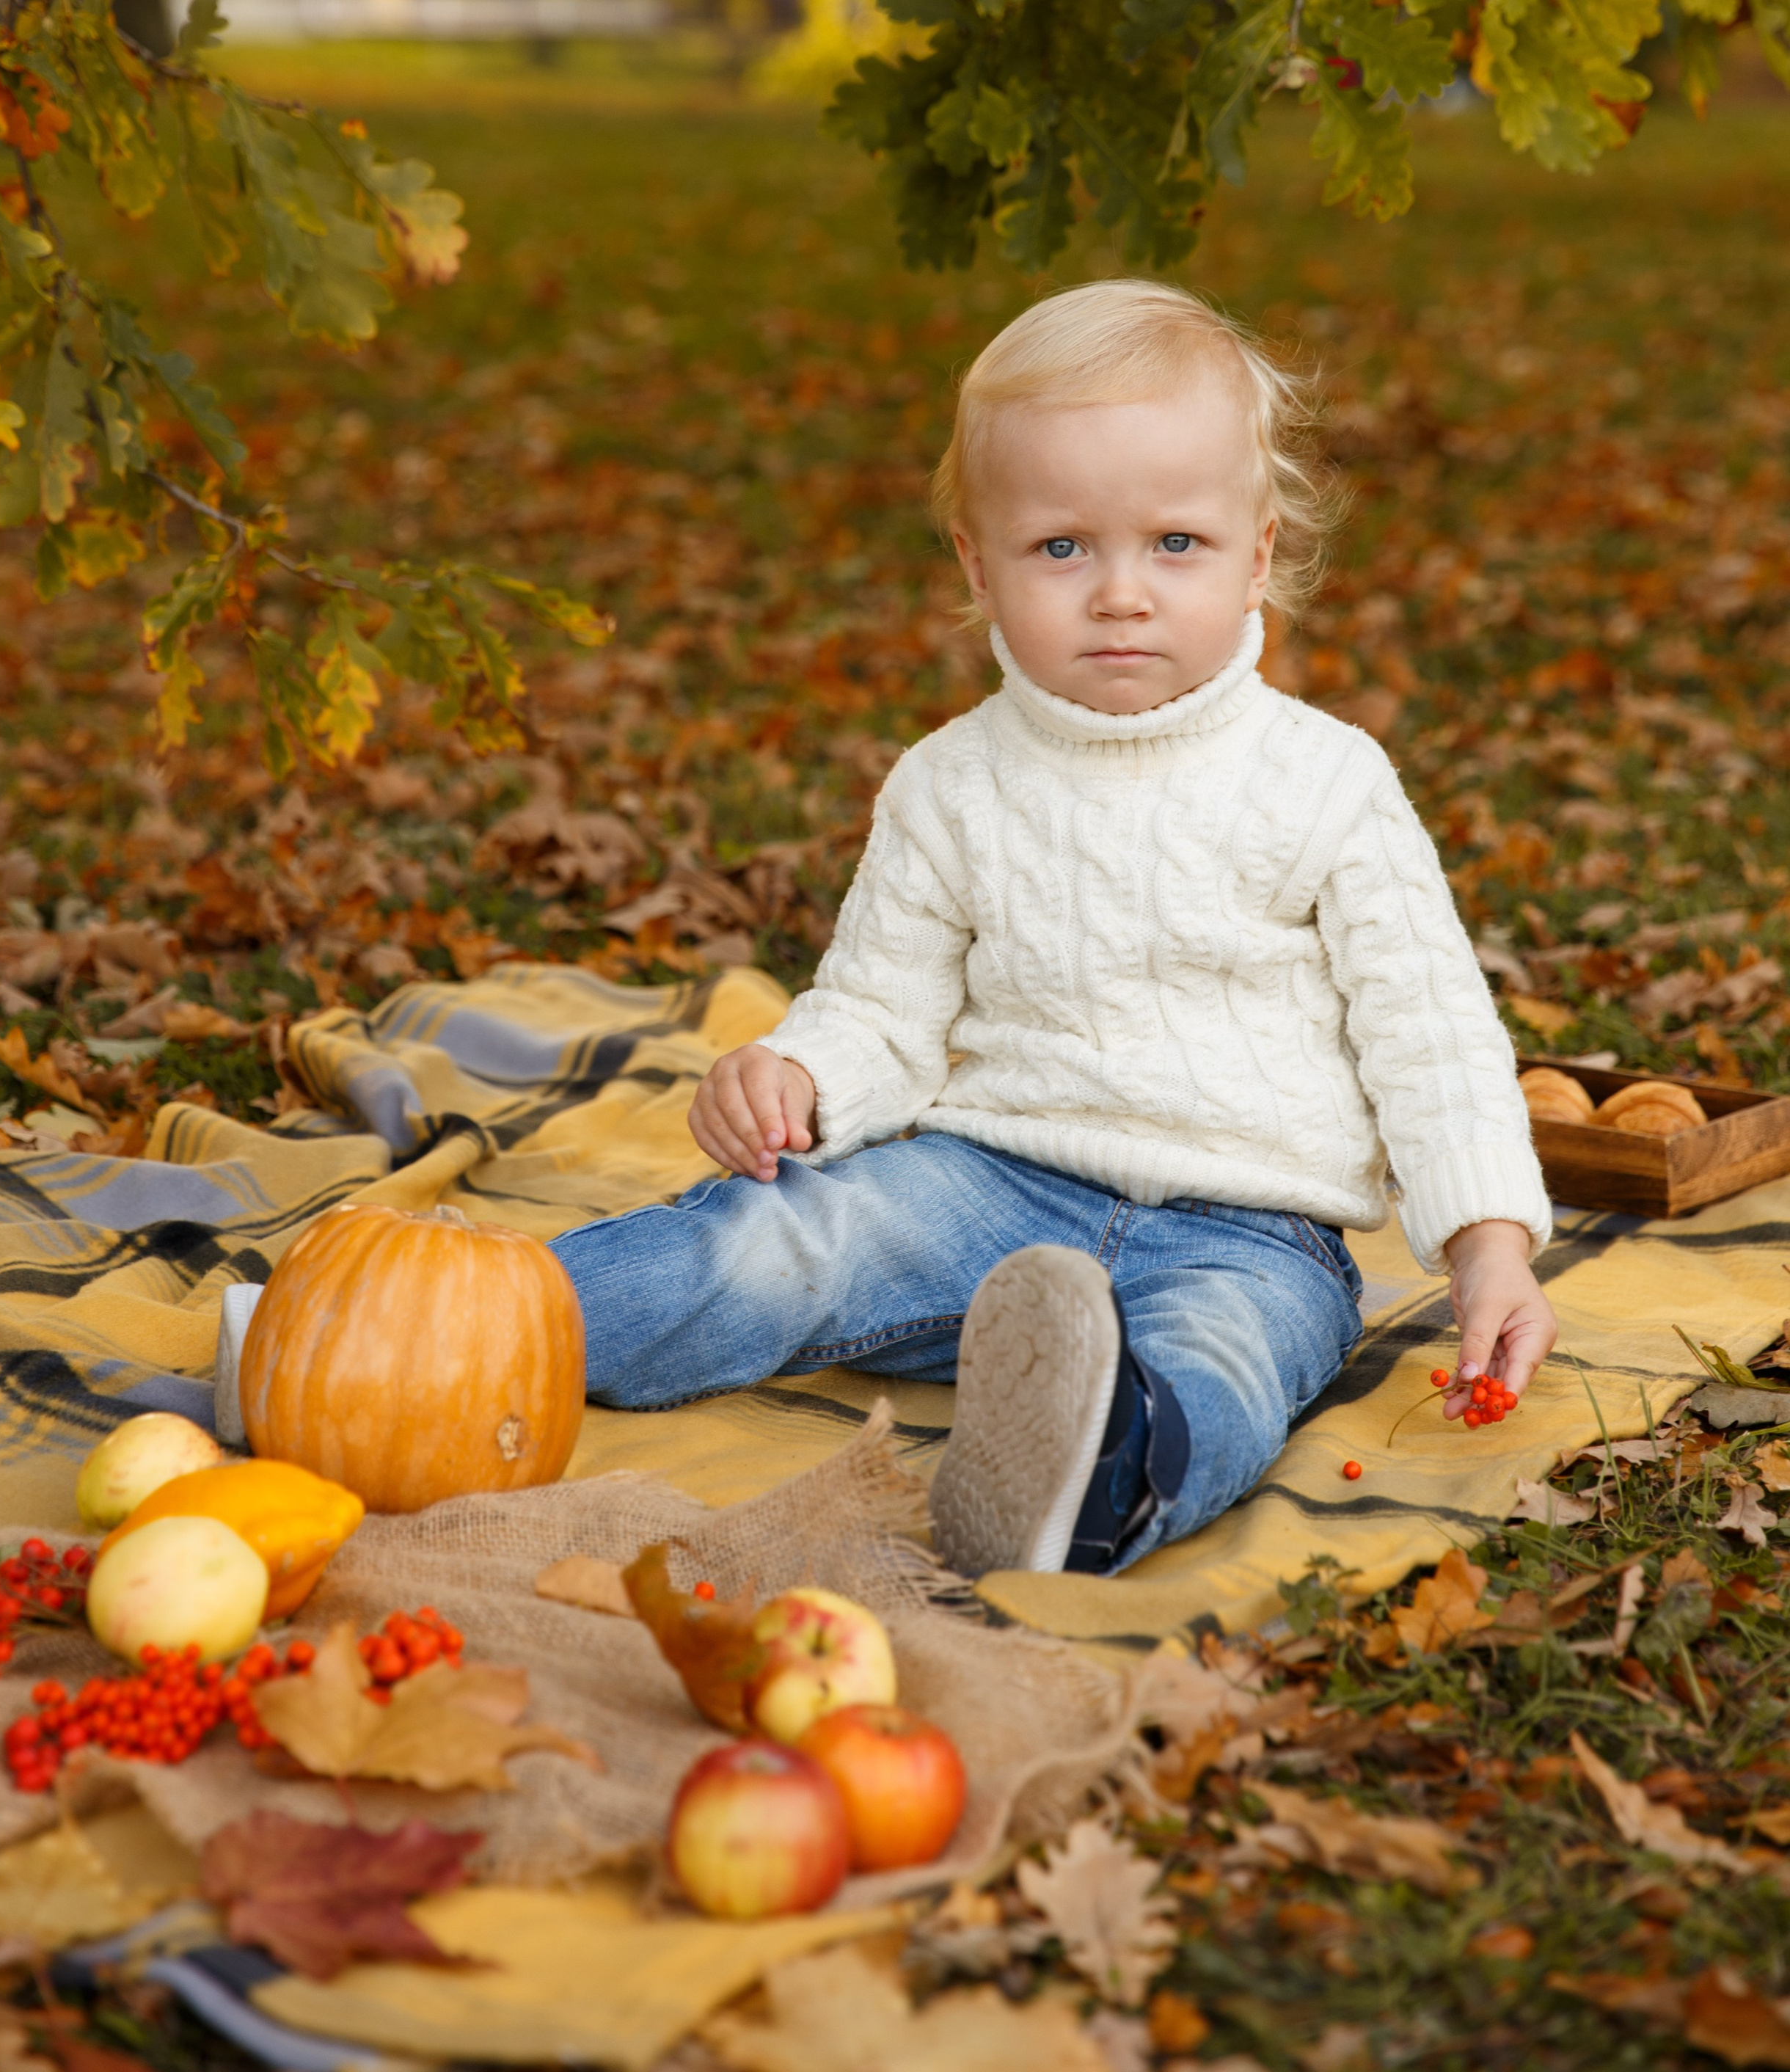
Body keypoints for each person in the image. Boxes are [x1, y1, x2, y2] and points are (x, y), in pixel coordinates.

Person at [553, 282, 1557, 1577]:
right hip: (988, 1188)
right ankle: (456, 1332)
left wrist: (1489, 1251)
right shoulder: (950, 784)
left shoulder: (1328, 783)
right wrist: (800, 1074)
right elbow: (884, 1007)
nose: (1122, 595)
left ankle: (1096, 1471)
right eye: (1063, 548)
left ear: (1259, 555)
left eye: (1176, 545)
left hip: (1250, 1232)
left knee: (1231, 1365)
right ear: (980, 565)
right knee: (787, 1234)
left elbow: (1431, 1039)